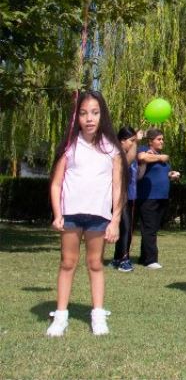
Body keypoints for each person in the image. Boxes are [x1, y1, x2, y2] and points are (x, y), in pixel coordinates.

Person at [46, 91, 124, 337]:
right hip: (71, 216)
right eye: (83, 113)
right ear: (76, 117)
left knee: (95, 264)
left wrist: (115, 221)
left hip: (98, 217)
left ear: (103, 115)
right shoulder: (69, 147)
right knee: (68, 263)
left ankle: (98, 316)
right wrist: (58, 214)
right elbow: (56, 184)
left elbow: (117, 188)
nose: (89, 118)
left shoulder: (112, 150)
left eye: (95, 113)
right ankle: (60, 316)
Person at [136, 128, 180, 269]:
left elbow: (162, 173)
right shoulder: (144, 150)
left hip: (162, 197)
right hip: (148, 196)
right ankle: (151, 260)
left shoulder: (162, 156)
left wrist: (171, 174)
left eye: (162, 139)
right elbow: (141, 158)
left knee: (153, 228)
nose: (162, 141)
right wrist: (160, 158)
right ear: (150, 141)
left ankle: (144, 257)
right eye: (159, 139)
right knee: (149, 228)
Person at [110, 126, 144, 272]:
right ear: (122, 141)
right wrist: (137, 141)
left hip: (131, 196)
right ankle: (124, 259)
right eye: (130, 140)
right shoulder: (118, 154)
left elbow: (138, 175)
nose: (132, 143)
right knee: (126, 228)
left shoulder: (130, 153)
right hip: (121, 196)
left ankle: (117, 258)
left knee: (126, 227)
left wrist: (144, 164)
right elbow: (127, 163)